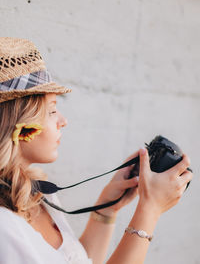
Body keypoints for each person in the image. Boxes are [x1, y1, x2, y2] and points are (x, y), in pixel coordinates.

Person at [0, 37, 192, 264]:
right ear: (19, 126)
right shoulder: (5, 227)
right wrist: (149, 210)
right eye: (52, 111)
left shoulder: (36, 193)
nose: (63, 121)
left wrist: (107, 208)